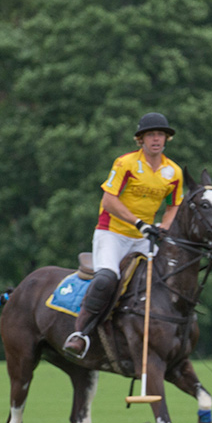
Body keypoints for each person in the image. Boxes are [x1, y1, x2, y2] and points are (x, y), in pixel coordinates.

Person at [62, 112, 184, 358]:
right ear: (141, 139)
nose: (156, 139)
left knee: (168, 277)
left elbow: (174, 205)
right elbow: (108, 200)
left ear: (166, 139)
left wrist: (165, 227)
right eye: (151, 135)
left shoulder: (173, 172)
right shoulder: (125, 163)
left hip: (144, 237)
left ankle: (171, 331)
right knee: (107, 277)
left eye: (160, 134)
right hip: (112, 233)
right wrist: (139, 223)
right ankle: (81, 333)